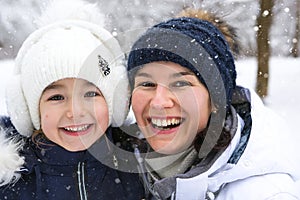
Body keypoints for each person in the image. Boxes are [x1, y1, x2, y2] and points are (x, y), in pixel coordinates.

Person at [126, 11, 300, 200]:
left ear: (216, 101)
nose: (159, 102)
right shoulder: (118, 170)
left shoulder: (265, 194)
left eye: (180, 84)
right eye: (147, 84)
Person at [0, 0, 145, 199]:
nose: (75, 111)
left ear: (116, 102)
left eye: (90, 94)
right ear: (27, 110)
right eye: (57, 97)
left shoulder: (139, 165)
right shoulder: (11, 182)